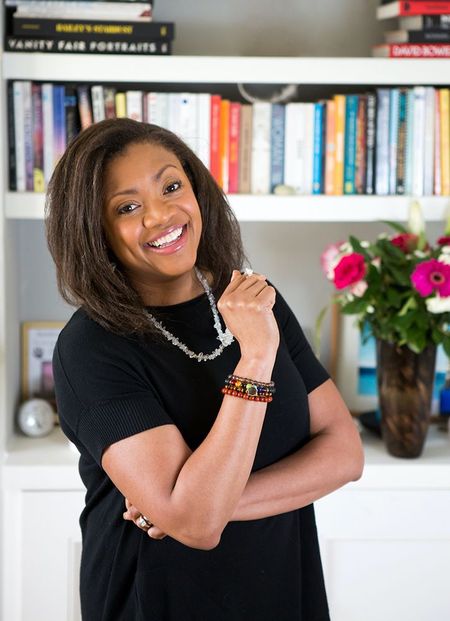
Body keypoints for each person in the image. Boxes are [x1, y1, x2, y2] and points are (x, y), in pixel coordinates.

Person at [46, 117, 364, 621]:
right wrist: (256, 358)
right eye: (127, 207)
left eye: (171, 186)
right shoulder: (91, 347)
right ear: (94, 231)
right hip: (157, 599)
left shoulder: (256, 301)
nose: (160, 215)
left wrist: (198, 507)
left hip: (281, 588)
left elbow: (345, 454)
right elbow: (195, 527)